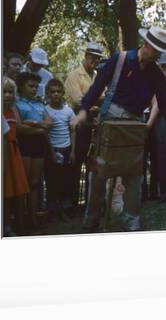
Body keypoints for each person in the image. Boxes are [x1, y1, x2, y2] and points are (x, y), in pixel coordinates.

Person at [71, 25, 166, 233]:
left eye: (161, 52)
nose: (157, 55)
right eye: (156, 50)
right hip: (110, 118)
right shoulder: (120, 59)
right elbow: (97, 86)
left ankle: (131, 219)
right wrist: (84, 110)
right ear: (146, 44)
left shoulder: (156, 74)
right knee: (98, 171)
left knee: (134, 173)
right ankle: (91, 219)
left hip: (134, 123)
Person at [64, 41, 105, 210]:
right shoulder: (75, 75)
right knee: (76, 163)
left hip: (94, 121)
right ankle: (71, 204)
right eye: (92, 57)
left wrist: (92, 101)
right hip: (80, 122)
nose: (95, 61)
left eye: (98, 58)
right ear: (85, 56)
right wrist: (95, 101)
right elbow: (77, 101)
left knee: (92, 164)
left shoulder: (97, 76)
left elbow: (102, 97)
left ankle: (89, 203)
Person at [15, 72, 52, 227]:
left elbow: (49, 123)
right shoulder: (16, 104)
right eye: (31, 86)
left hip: (39, 145)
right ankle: (20, 219)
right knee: (22, 184)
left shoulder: (40, 104)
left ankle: (33, 217)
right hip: (24, 145)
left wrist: (32, 124)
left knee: (35, 183)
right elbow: (19, 127)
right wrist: (40, 128)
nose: (34, 89)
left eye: (36, 86)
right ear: (22, 87)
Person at [144, 51, 166, 202]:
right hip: (147, 116)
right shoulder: (151, 78)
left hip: (164, 118)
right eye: (162, 66)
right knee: (147, 155)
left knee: (162, 154)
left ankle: (164, 191)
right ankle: (148, 191)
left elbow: (159, 103)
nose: (165, 69)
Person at [44, 79, 76, 222]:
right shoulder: (45, 110)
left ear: (63, 93)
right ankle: (52, 211)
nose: (55, 94)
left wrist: (73, 152)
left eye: (58, 91)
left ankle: (65, 210)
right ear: (48, 93)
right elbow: (45, 133)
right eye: (52, 92)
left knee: (66, 180)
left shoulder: (68, 111)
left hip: (66, 149)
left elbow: (73, 131)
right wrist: (51, 152)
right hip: (52, 149)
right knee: (52, 181)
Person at [2, 77, 29, 236]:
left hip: (14, 152)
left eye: (10, 92)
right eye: (3, 92)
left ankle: (18, 224)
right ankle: (5, 225)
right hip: (4, 152)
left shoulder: (13, 111)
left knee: (18, 191)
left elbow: (18, 129)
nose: (7, 95)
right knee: (4, 192)